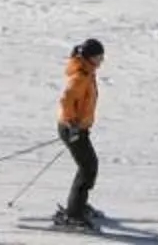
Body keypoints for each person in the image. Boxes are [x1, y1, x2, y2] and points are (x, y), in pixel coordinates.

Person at [50, 38, 104, 232]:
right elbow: (66, 100)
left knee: (88, 166)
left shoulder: (87, 72)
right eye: (98, 57)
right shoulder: (80, 76)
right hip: (72, 129)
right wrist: (72, 124)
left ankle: (79, 206)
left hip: (78, 129)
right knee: (88, 168)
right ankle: (74, 214)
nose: (101, 60)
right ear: (89, 58)